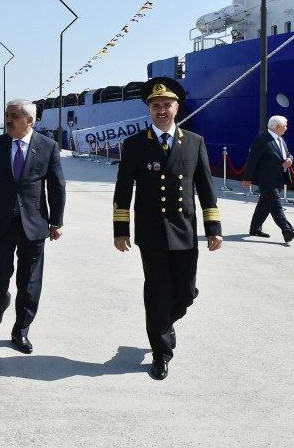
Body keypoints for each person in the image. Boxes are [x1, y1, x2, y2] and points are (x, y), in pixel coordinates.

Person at [112, 77, 222, 381]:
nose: (161, 110)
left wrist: (213, 227)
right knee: (158, 292)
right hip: (152, 232)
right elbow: (123, 189)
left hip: (185, 229)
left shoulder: (195, 142)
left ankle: (165, 322)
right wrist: (121, 229)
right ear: (150, 110)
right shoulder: (135, 144)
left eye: (166, 105)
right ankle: (161, 353)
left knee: (185, 293)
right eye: (155, 105)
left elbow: (206, 188)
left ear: (177, 108)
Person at [0, 99, 66, 354]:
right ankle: (1, 298)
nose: (8, 120)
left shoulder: (47, 146)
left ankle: (21, 329)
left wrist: (57, 221)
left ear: (29, 120)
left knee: (30, 282)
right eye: (7, 115)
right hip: (0, 222)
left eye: (14, 116)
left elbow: (57, 186)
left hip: (34, 224)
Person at [242, 115, 294, 245]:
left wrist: (290, 159)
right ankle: (287, 231)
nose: (287, 128)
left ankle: (255, 229)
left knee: (264, 205)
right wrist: (247, 178)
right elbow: (252, 160)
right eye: (285, 125)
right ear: (278, 127)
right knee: (275, 205)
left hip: (278, 178)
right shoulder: (261, 140)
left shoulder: (280, 139)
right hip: (266, 179)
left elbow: (287, 153)